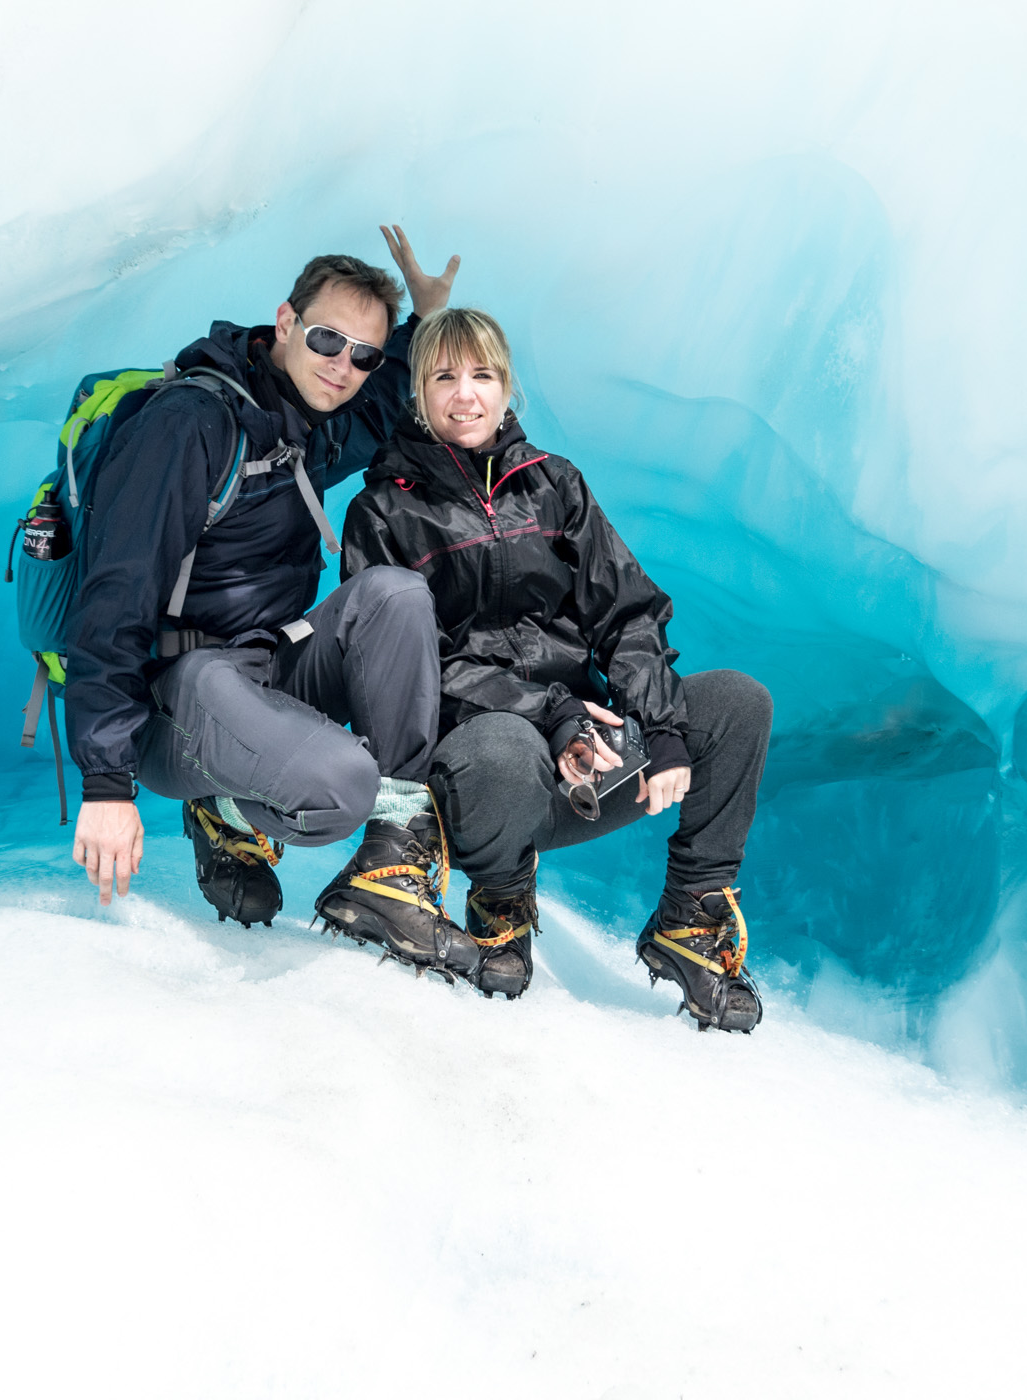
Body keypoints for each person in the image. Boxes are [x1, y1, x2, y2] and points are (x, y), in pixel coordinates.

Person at [339, 304, 772, 1032]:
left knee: (737, 703)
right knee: (506, 746)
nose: (465, 395)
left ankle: (689, 920)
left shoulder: (554, 485)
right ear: (417, 391)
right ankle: (500, 897)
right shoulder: (381, 509)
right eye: (444, 377)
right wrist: (554, 713)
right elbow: (415, 667)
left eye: (483, 375)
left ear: (507, 386)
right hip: (479, 770)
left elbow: (626, 613)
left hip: (587, 765)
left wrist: (663, 729)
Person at [64, 228, 480, 980]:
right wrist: (105, 784)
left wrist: (422, 320)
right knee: (340, 786)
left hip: (264, 666)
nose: (343, 366)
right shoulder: (191, 425)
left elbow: (381, 404)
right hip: (177, 694)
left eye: (363, 354)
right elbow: (115, 596)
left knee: (395, 595)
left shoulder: (308, 422)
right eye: (328, 340)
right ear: (285, 322)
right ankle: (220, 806)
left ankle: (390, 863)